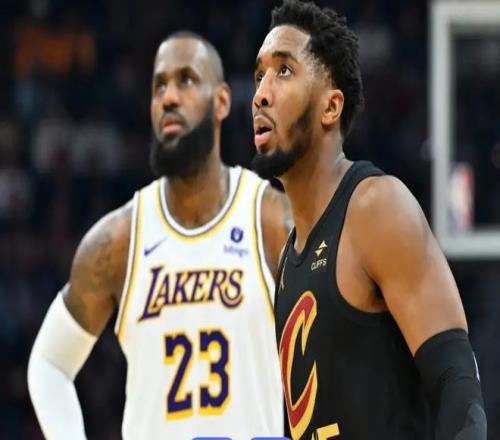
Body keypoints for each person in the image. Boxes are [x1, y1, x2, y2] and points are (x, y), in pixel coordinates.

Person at [28, 31, 290, 439]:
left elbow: (338, 350)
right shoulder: (119, 240)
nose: (169, 97)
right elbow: (48, 364)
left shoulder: (271, 221)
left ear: (222, 101)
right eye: (159, 86)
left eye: (186, 80)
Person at [251, 1, 486, 439]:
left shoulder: (376, 208)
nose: (261, 93)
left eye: (283, 71)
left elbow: (458, 386)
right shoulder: (288, 260)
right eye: (259, 75)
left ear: (330, 107)